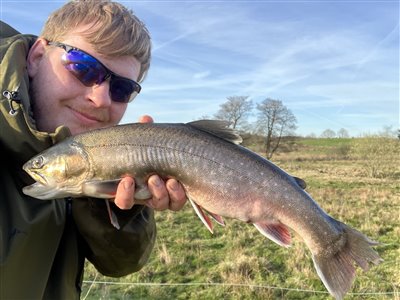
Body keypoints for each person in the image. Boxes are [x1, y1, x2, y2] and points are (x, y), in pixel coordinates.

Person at [0, 1, 187, 299]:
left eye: (122, 89)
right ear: (37, 56)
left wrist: (119, 202)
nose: (101, 99)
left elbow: (119, 264)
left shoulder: (84, 159)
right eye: (83, 68)